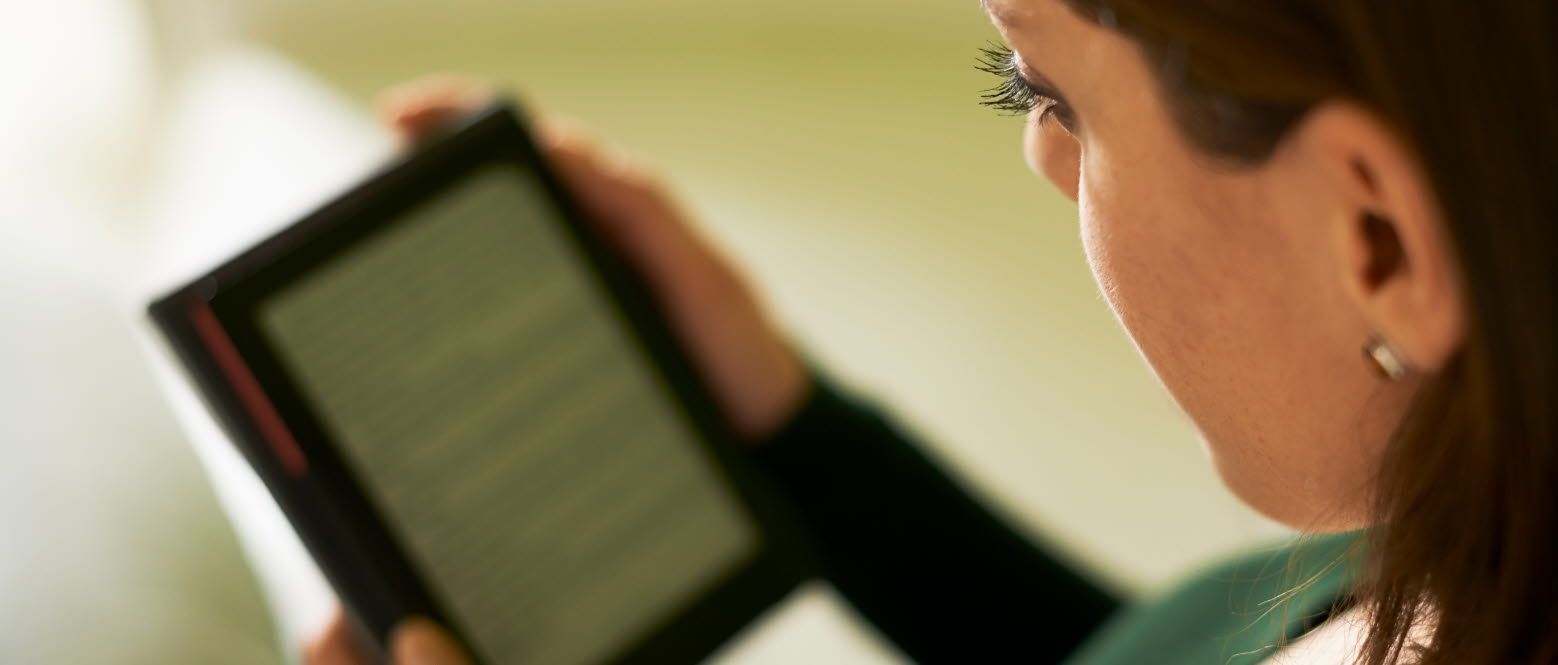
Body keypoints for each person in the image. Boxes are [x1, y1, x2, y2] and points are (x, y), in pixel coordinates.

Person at [304, 1, 1558, 664]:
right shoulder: (1489, 509)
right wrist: (797, 438)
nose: (1040, 155)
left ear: (1376, 235)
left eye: (1048, 90)